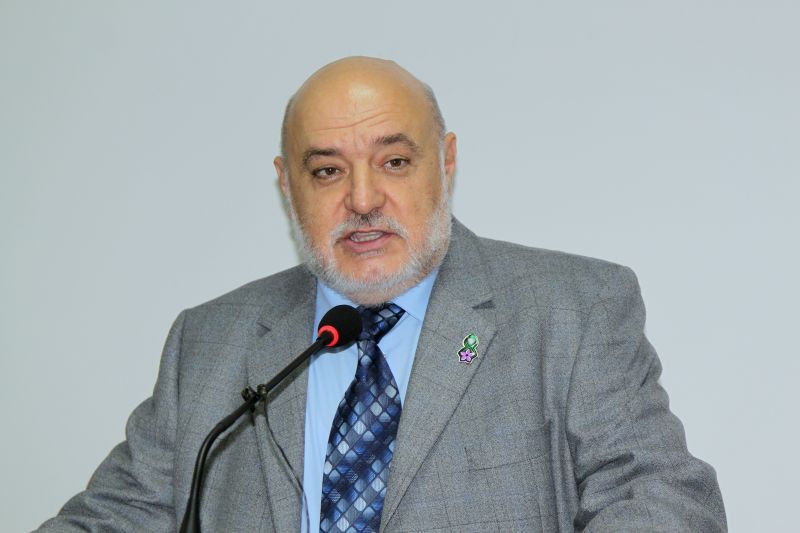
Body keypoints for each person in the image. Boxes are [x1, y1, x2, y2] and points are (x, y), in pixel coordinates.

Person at [38, 57, 726, 532]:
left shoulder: (572, 309)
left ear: (446, 162)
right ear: (287, 184)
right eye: (327, 171)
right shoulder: (212, 340)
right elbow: (118, 516)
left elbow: (662, 502)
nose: (363, 199)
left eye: (394, 162)